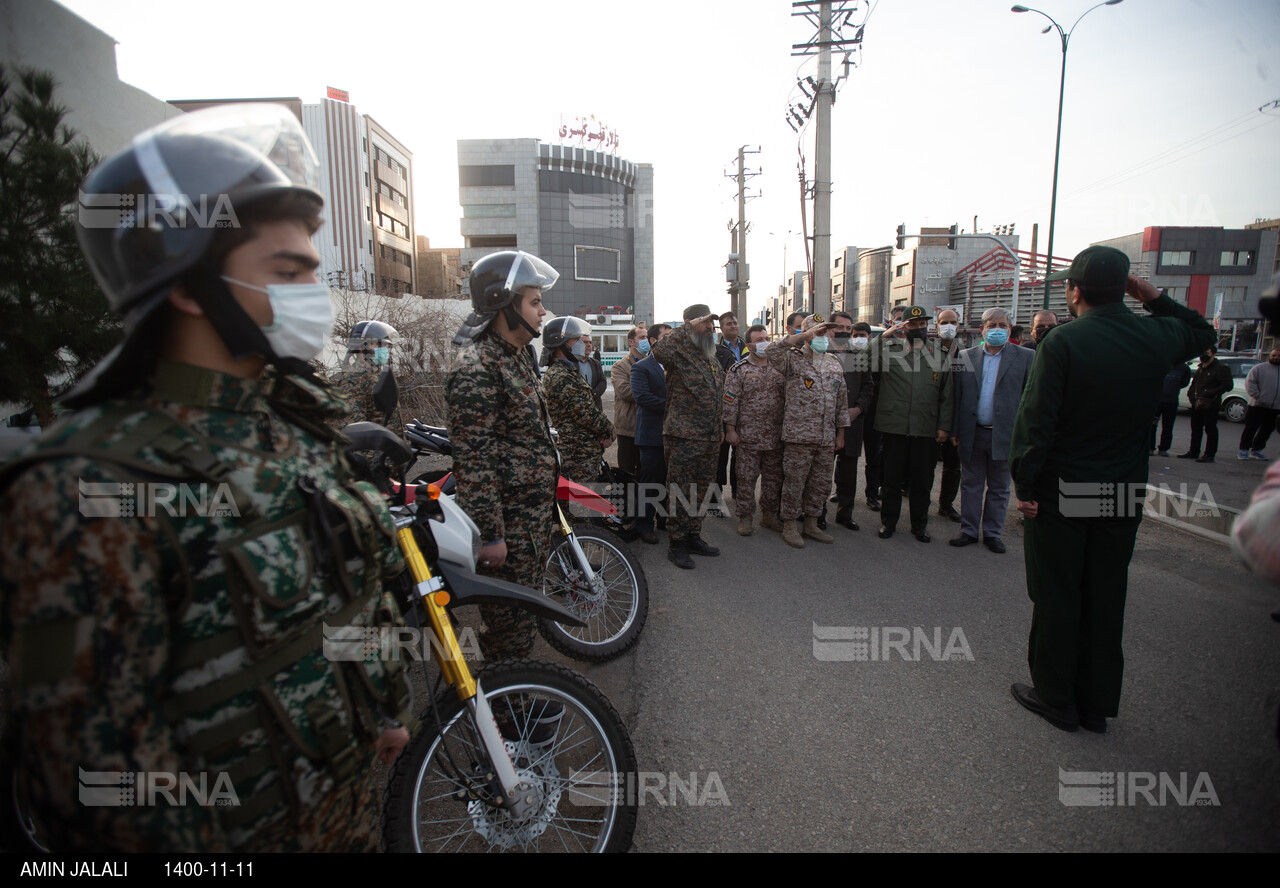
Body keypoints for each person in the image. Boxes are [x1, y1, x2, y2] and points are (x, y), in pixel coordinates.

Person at [0, 105, 412, 852]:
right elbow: (96, 783)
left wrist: (379, 710)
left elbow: (346, 587)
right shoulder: (86, 484)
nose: (310, 292)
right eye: (286, 273)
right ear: (191, 288)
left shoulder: (291, 418)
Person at [1009, 245, 1214, 733]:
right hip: (1122, 490)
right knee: (1105, 593)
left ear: (1074, 290)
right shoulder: (1154, 333)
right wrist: (1155, 297)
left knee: (1059, 592)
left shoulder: (1063, 342)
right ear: (1126, 288)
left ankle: (1056, 696)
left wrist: (1026, 483)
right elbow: (1204, 333)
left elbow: (1037, 421)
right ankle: (1096, 702)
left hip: (1064, 490)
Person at [448, 249, 560, 662]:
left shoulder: (518, 356)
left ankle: (514, 696)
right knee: (508, 627)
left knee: (521, 618)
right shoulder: (477, 364)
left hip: (529, 519)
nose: (542, 310)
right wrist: (491, 534)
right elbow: (475, 459)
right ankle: (508, 711)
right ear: (503, 303)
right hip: (508, 529)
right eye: (534, 302)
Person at [948, 308, 1034, 553]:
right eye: (992, 325)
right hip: (972, 432)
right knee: (971, 484)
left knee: (999, 487)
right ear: (982, 329)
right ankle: (969, 531)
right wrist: (955, 430)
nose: (998, 329)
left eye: (1003, 325)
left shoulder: (1025, 357)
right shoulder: (965, 355)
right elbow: (958, 397)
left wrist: (1025, 436)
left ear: (1009, 328)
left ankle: (993, 533)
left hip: (1007, 435)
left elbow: (1030, 399)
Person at [870, 306, 954, 542]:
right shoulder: (889, 351)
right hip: (894, 426)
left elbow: (947, 395)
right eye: (913, 325)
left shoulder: (939, 355)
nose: (918, 328)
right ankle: (888, 523)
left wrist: (944, 426)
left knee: (922, 482)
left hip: (925, 428)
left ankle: (919, 525)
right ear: (903, 327)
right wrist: (883, 337)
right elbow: (863, 359)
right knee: (891, 481)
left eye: (922, 325)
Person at [650, 305, 725, 569]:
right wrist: (686, 327)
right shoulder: (678, 353)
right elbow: (658, 351)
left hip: (710, 437)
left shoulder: (711, 357)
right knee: (680, 491)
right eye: (705, 323)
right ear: (691, 324)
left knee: (702, 490)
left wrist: (720, 430)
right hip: (683, 436)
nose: (710, 328)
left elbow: (717, 398)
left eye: (711, 324)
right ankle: (677, 543)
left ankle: (694, 535)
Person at [768, 315, 849, 548]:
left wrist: (841, 434)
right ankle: (790, 525)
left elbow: (841, 402)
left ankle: (812, 524)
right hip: (799, 436)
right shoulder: (792, 360)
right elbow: (772, 351)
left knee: (821, 483)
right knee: (794, 482)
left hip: (825, 437)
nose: (823, 337)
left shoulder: (834, 363)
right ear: (807, 335)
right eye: (818, 333)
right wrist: (800, 337)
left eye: (825, 333)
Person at [723, 324, 785, 536]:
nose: (764, 343)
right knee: (746, 478)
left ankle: (769, 515)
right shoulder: (739, 369)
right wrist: (730, 429)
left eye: (766, 338)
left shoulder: (780, 368)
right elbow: (730, 402)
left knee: (773, 478)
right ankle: (745, 515)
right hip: (748, 437)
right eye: (759, 340)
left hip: (775, 436)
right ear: (749, 345)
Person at [541, 316, 614, 485]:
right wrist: (609, 429)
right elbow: (585, 412)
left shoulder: (569, 371)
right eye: (576, 340)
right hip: (576, 456)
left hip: (583, 454)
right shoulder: (561, 375)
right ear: (562, 343)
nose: (582, 344)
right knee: (581, 509)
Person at [829, 315, 875, 530]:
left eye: (848, 328)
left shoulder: (859, 355)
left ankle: (845, 514)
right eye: (840, 326)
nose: (844, 331)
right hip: (825, 423)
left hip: (852, 422)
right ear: (830, 327)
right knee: (821, 472)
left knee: (848, 472)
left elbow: (868, 386)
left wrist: (858, 408)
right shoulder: (820, 352)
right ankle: (816, 513)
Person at [631, 323, 672, 545]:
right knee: (650, 482)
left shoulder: (675, 365)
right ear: (654, 341)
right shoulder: (642, 367)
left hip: (672, 434)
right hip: (651, 435)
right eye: (666, 336)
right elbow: (643, 398)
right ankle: (644, 525)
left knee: (667, 480)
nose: (671, 340)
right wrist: (673, 405)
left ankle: (663, 519)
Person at [327, 319, 403, 434]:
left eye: (384, 345)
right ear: (360, 346)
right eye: (376, 344)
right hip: (373, 449)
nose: (383, 349)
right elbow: (353, 431)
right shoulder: (353, 380)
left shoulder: (377, 376)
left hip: (387, 449)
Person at [934, 308, 963, 523]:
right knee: (925, 464)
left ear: (959, 325)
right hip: (932, 417)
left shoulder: (965, 354)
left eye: (952, 322)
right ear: (936, 325)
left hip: (955, 417)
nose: (948, 326)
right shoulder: (927, 352)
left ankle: (946, 504)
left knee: (953, 466)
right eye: (944, 322)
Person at [1179, 344, 1233, 463]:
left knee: (1210, 428)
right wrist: (1191, 396)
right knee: (1196, 428)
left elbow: (1227, 385)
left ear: (1213, 354)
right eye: (1202, 353)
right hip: (1197, 403)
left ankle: (1209, 454)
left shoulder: (1221, 368)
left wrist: (1208, 393)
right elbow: (1194, 384)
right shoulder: (1200, 368)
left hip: (1210, 403)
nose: (1204, 355)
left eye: (1207, 353)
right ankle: (1194, 451)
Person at [715, 311, 747, 504]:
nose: (733, 326)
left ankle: (738, 493)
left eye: (735, 322)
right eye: (728, 324)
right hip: (722, 409)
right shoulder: (714, 350)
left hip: (744, 410)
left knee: (740, 457)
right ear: (722, 328)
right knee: (719, 457)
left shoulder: (748, 347)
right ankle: (716, 496)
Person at [611, 325, 648, 475]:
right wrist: (650, 395)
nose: (646, 341)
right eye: (642, 338)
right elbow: (625, 392)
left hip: (647, 427)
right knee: (627, 471)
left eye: (647, 337)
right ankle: (627, 499)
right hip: (628, 427)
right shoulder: (620, 366)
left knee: (645, 471)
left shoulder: (653, 364)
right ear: (631, 342)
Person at [1238, 348, 1280, 460]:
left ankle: (1257, 450)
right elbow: (1250, 382)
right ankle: (1243, 450)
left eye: (1278, 355)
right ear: (1270, 356)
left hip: (1275, 406)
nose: (1276, 357)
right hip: (1257, 405)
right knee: (1251, 428)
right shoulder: (1259, 368)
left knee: (1267, 429)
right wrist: (1258, 396)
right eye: (1274, 355)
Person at [1151, 361, 1191, 456]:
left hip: (1171, 402)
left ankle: (1164, 448)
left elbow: (1184, 383)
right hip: (1157, 401)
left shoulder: (1184, 368)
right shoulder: (1160, 365)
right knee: (1152, 425)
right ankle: (1150, 447)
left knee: (1168, 427)